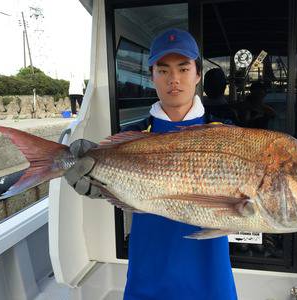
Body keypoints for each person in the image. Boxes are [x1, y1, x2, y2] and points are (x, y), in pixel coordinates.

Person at [66, 28, 237, 300]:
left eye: (183, 68)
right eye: (164, 70)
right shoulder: (133, 136)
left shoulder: (225, 135)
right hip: (147, 276)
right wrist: (94, 181)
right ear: (152, 76)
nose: (174, 80)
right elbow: (112, 181)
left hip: (210, 279)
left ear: (197, 74)